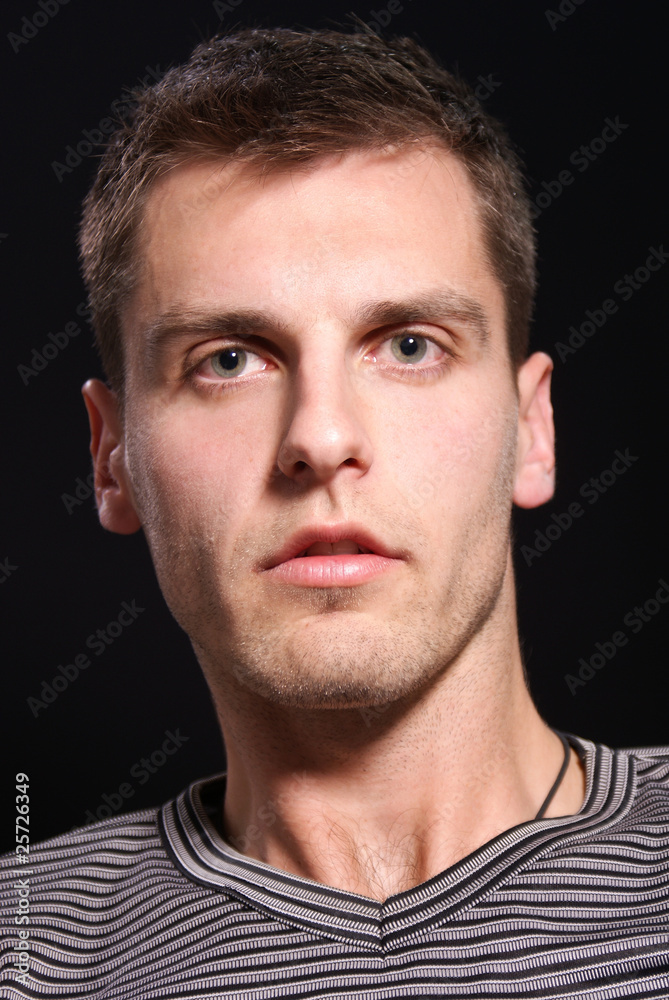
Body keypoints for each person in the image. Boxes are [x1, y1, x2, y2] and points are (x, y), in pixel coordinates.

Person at [2, 23, 668, 999]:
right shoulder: (22, 951)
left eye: (408, 346)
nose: (320, 437)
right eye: (229, 359)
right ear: (112, 456)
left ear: (532, 429)